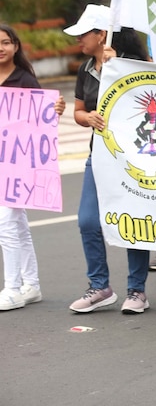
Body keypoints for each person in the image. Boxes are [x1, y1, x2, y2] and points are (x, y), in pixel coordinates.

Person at [64, 4, 154, 314]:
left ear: (102, 34)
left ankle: (137, 290)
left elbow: (154, 98)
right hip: (98, 155)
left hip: (133, 158)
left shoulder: (135, 64)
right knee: (88, 221)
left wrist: (121, 68)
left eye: (83, 34)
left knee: (133, 222)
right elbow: (77, 111)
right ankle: (100, 286)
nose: (78, 40)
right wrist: (86, 117)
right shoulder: (84, 68)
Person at [0, 24, 66, 311]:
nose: (0, 48)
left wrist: (56, 111)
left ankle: (12, 288)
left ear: (16, 46)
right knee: (19, 225)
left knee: (5, 224)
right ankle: (31, 285)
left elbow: (41, 123)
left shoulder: (24, 80)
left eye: (5, 42)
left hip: (18, 165)